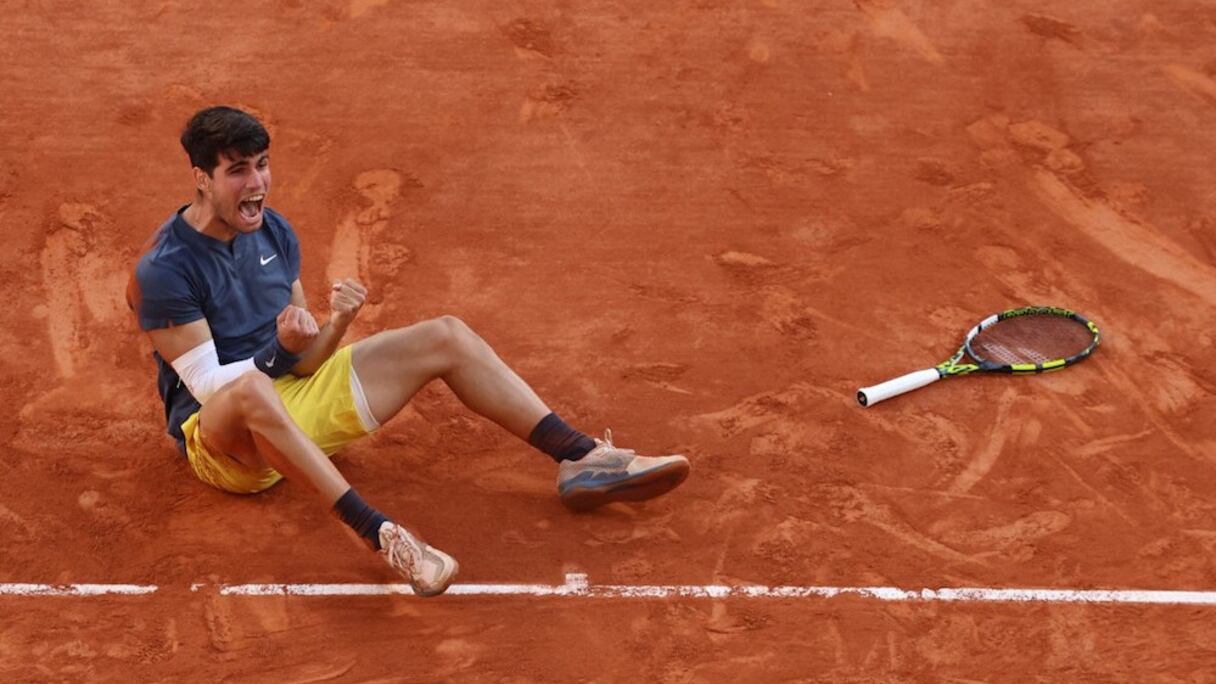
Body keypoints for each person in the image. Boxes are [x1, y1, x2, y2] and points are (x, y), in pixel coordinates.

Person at [126, 106, 691, 597]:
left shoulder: (273, 232)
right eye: (238, 171)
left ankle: (580, 458)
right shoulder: (164, 271)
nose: (257, 183)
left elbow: (306, 363)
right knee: (251, 389)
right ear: (201, 179)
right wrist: (278, 352)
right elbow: (211, 390)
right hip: (229, 448)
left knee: (445, 333)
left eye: (263, 164)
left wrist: (338, 322)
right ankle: (384, 537)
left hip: (289, 399)